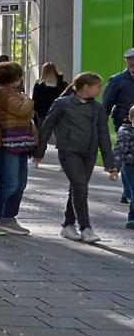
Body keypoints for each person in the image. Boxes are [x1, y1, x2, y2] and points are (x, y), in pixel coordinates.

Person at [37, 72, 117, 242]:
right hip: (68, 151)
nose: (100, 90)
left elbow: (103, 135)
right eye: (98, 87)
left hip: (89, 154)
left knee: (77, 189)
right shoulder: (63, 104)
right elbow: (47, 127)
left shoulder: (98, 108)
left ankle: (68, 225)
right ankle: (86, 228)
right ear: (86, 88)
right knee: (80, 189)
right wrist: (39, 153)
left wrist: (110, 165)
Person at [0, 62, 36, 236]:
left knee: (20, 184)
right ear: (15, 78)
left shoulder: (10, 92)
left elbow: (25, 113)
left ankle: (8, 218)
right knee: (9, 183)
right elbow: (21, 110)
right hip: (3, 143)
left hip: (18, 142)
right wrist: (27, 99)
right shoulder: (0, 92)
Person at [33, 62, 67, 129]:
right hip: (58, 112)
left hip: (42, 112)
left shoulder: (38, 85)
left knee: (43, 132)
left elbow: (35, 100)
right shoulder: (62, 84)